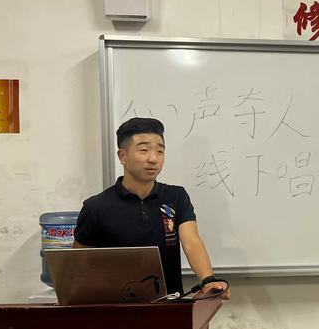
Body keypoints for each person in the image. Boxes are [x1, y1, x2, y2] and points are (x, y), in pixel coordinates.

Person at [73, 117, 230, 299]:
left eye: (160, 151)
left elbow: (191, 241)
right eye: (144, 150)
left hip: (168, 307)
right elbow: (78, 265)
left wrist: (208, 280)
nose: (153, 159)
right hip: (114, 309)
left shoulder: (176, 197)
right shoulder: (95, 207)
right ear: (122, 156)